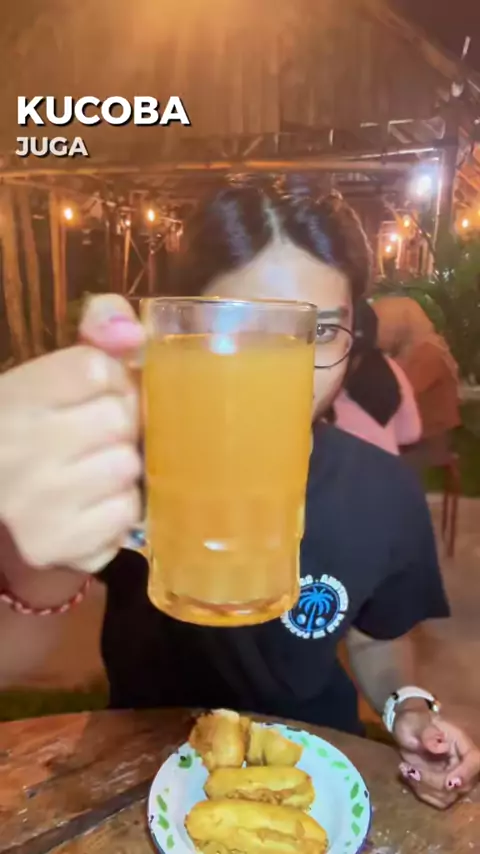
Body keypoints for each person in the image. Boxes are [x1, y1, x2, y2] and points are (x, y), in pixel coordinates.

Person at [0, 187, 479, 810]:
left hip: (308, 768)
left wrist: (407, 707)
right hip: (139, 771)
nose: (287, 362)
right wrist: (31, 556)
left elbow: (377, 637)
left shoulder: (383, 490)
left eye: (320, 329)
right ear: (181, 334)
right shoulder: (129, 465)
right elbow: (13, 658)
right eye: (244, 325)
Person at [374, 296, 461, 466]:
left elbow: (398, 395)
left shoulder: (428, 353)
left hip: (427, 442)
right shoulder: (411, 351)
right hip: (412, 437)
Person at [332, 300, 421, 454]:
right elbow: (411, 433)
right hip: (385, 463)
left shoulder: (318, 371)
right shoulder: (390, 368)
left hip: (331, 464)